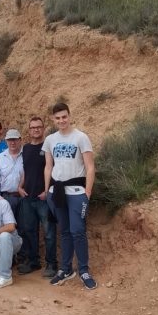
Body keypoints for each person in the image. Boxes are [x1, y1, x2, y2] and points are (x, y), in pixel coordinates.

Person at [43, 103, 97, 290]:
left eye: (64, 117)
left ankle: (83, 270)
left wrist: (87, 193)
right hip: (56, 192)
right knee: (64, 231)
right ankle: (66, 269)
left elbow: (90, 167)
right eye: (57, 118)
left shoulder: (81, 137)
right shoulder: (50, 139)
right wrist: (46, 190)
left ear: (69, 116)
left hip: (76, 193)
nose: (61, 121)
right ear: (53, 119)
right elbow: (48, 166)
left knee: (77, 231)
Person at [18, 116, 58, 278]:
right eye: (33, 127)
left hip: (44, 198)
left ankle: (51, 264)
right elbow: (26, 171)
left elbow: (54, 170)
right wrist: (20, 187)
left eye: (39, 127)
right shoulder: (25, 148)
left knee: (49, 232)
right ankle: (33, 261)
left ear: (43, 129)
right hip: (28, 196)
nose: (36, 129)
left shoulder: (49, 147)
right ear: (29, 130)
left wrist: (47, 191)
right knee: (29, 231)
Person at [0, 129, 26, 270]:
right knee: (8, 229)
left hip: (23, 197)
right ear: (6, 141)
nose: (12, 142)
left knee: (24, 227)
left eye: (15, 139)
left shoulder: (25, 155)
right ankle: (9, 258)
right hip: (6, 198)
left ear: (20, 140)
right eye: (9, 140)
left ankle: (23, 257)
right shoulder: (0, 157)